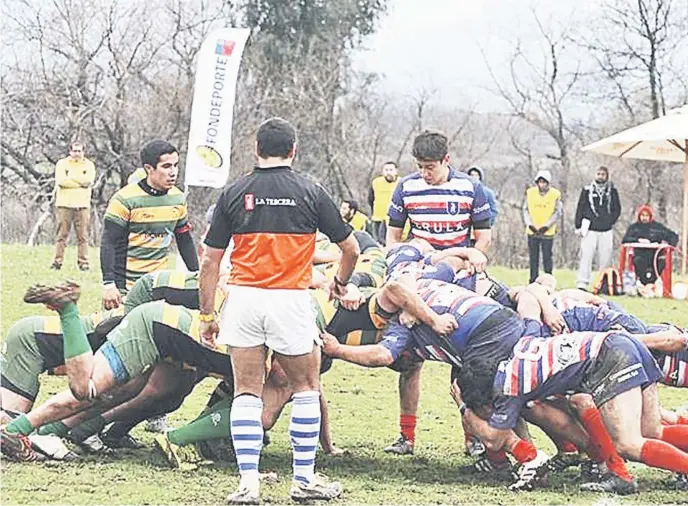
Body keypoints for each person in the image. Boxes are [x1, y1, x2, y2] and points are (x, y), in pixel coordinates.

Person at [199, 117, 360, 504]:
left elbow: (209, 262)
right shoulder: (311, 191)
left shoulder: (234, 192)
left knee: (246, 391)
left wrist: (207, 315)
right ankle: (303, 480)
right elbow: (351, 249)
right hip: (289, 299)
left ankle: (248, 485)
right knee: (306, 387)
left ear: (256, 149)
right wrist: (339, 282)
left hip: (243, 300)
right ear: (293, 150)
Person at [100, 140, 199, 309]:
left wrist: (197, 275)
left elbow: (184, 239)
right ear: (148, 169)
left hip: (158, 286)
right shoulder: (125, 199)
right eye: (166, 166)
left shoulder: (178, 198)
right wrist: (109, 284)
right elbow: (108, 242)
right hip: (126, 288)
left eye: (176, 165)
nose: (173, 172)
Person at [387, 130, 492, 252]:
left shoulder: (471, 187)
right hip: (419, 262)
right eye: (420, 166)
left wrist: (471, 261)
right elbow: (392, 237)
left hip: (458, 261)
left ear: (446, 160)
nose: (424, 173)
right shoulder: (405, 187)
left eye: (430, 167)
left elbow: (484, 238)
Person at [51, 142, 96, 271]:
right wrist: (79, 182)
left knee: (83, 236)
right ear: (70, 152)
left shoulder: (89, 165)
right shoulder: (62, 164)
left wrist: (71, 178)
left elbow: (88, 181)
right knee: (61, 235)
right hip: (64, 204)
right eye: (74, 151)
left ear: (84, 152)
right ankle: (57, 262)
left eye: (79, 151)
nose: (77, 154)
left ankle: (83, 263)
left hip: (82, 205)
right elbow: (61, 181)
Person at [575, 166, 621, 290]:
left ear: (607, 176)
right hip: (590, 229)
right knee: (586, 256)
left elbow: (617, 209)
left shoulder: (612, 191)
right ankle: (582, 282)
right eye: (598, 174)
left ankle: (604, 283)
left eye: (603, 174)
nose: (600, 176)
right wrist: (578, 225)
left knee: (605, 257)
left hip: (606, 230)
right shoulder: (587, 190)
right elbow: (580, 208)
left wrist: (610, 221)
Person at [622, 205, 679, 285]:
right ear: (639, 216)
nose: (644, 218)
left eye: (646, 215)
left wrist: (669, 247)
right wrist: (638, 240)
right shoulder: (634, 228)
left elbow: (673, 236)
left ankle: (653, 283)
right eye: (642, 215)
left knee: (662, 262)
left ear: (650, 216)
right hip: (640, 255)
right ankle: (644, 283)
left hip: (655, 256)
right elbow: (625, 240)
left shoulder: (657, 227)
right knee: (638, 262)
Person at [522, 170, 562, 284]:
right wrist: (529, 224)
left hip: (547, 232)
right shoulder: (530, 193)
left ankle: (548, 281)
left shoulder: (555, 194)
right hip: (532, 230)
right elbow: (525, 209)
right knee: (533, 258)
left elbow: (557, 212)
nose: (542, 184)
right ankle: (532, 281)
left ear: (548, 183)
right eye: (540, 182)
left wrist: (547, 225)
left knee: (547, 258)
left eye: (544, 182)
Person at [368, 161, 399, 245]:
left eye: (391, 170)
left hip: (393, 220)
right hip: (378, 218)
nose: (388, 172)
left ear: (396, 171)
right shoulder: (376, 182)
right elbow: (370, 199)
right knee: (377, 243)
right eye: (386, 170)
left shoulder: (400, 183)